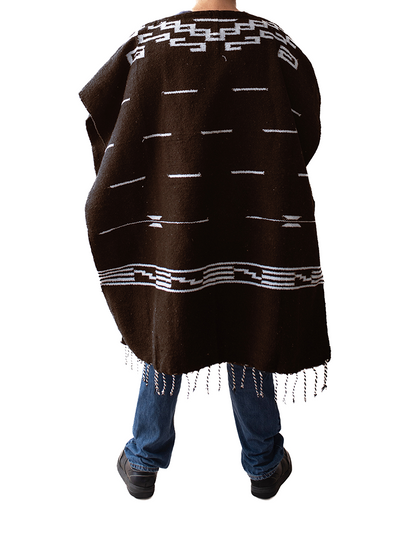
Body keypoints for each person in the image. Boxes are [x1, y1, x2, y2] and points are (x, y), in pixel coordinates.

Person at [79, 0, 330, 500]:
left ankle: (143, 460)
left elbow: (108, 119)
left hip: (179, 219)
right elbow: (306, 130)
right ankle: (263, 463)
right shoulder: (274, 46)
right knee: (249, 317)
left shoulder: (151, 45)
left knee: (171, 321)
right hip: (254, 215)